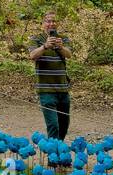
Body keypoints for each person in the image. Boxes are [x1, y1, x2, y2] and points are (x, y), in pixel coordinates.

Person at [28, 11, 72, 146]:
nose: (51, 24)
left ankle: (58, 153)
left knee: (64, 123)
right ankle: (53, 160)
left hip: (63, 90)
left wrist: (60, 47)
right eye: (48, 21)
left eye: (54, 21)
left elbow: (69, 54)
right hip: (46, 90)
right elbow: (33, 55)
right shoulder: (36, 39)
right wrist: (45, 46)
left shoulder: (63, 39)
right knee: (53, 125)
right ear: (43, 24)